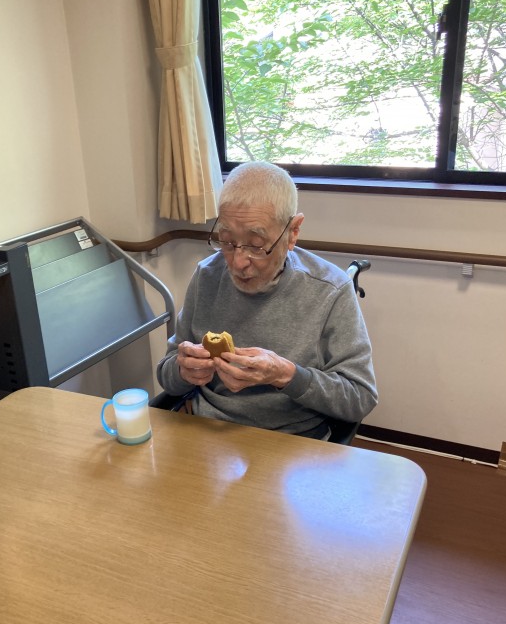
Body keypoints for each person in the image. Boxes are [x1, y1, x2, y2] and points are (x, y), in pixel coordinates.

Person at [156, 161, 377, 440]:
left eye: (256, 245)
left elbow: (360, 397)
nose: (238, 262)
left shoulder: (330, 289)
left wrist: (286, 376)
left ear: (293, 232)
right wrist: (183, 371)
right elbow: (167, 374)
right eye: (227, 241)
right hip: (207, 434)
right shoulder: (207, 276)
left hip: (291, 441)